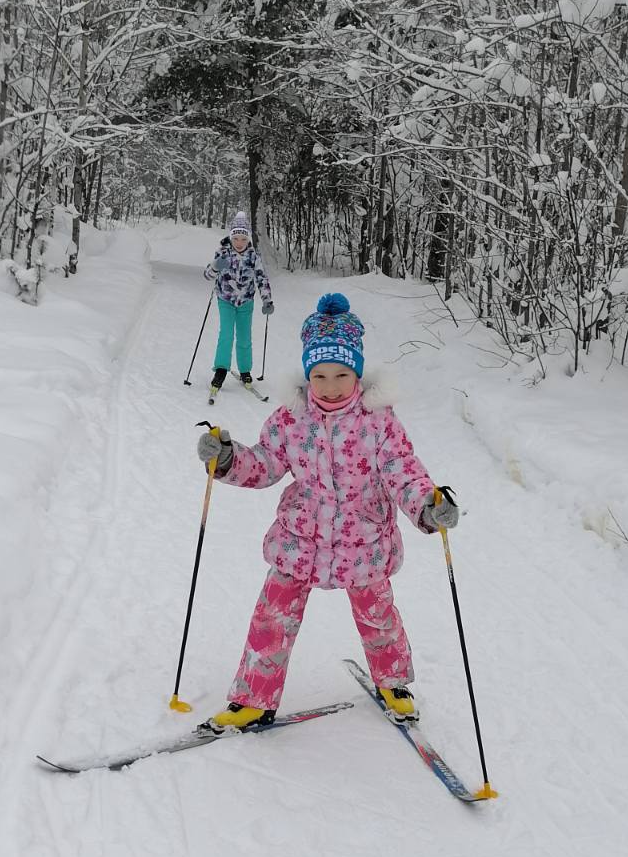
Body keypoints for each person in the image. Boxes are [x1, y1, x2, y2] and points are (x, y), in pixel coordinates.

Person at [193, 292, 459, 730]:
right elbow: (264, 465)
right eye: (319, 375)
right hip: (300, 539)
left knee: (378, 617)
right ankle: (254, 698)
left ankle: (392, 682)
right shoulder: (289, 419)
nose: (331, 386)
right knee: (272, 615)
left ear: (357, 372)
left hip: (364, 542)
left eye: (341, 374)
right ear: (306, 375)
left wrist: (429, 507)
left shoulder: (378, 421)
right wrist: (226, 458)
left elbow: (404, 473)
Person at [204, 211, 274, 397]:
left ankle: (245, 371)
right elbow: (207, 275)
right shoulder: (223, 253)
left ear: (247, 239)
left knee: (244, 338)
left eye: (243, 238)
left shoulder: (253, 256)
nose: (239, 242)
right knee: (226, 335)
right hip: (225, 300)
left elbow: (262, 278)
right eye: (236, 238)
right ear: (231, 236)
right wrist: (215, 267)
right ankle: (220, 370)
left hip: (246, 302)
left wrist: (267, 299)